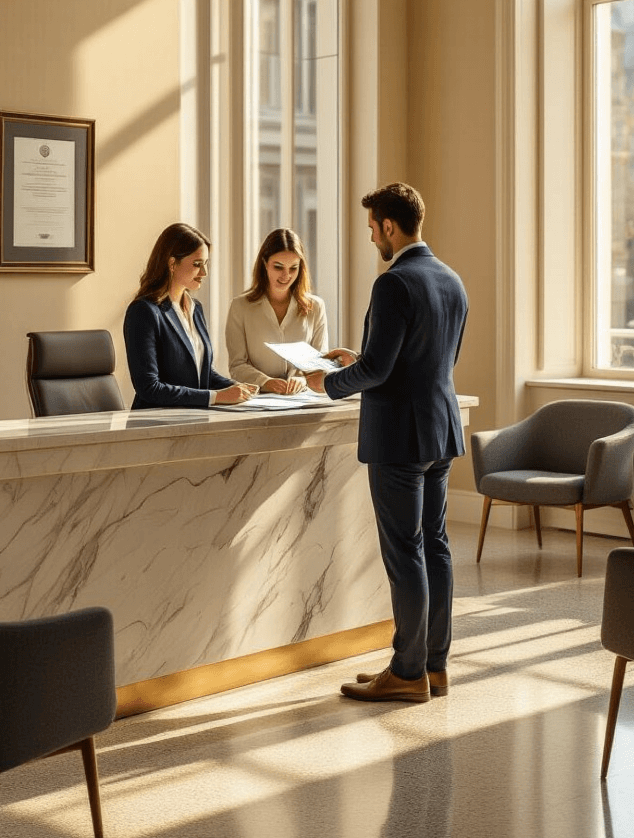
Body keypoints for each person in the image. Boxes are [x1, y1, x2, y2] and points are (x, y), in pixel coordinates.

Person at [306, 183, 467, 703]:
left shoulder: (393, 282)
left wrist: (327, 383)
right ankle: (435, 666)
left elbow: (379, 371)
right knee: (435, 546)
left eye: (373, 227)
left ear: (390, 227)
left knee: (405, 552)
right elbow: (425, 359)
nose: (371, 235)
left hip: (399, 435)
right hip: (440, 430)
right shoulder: (451, 279)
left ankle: (406, 671)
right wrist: (363, 358)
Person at [124, 223, 255, 409]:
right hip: (156, 422)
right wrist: (216, 397)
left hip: (194, 418)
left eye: (206, 264)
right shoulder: (144, 311)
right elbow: (149, 388)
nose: (204, 273)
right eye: (197, 264)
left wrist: (236, 388)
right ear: (172, 263)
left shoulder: (196, 308)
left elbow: (204, 374)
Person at [225, 228, 328, 394]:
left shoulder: (316, 307)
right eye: (278, 267)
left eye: (293, 268)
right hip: (257, 400)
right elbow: (237, 365)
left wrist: (301, 378)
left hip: (303, 400)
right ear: (265, 263)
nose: (286, 276)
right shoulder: (240, 307)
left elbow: (319, 363)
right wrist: (266, 382)